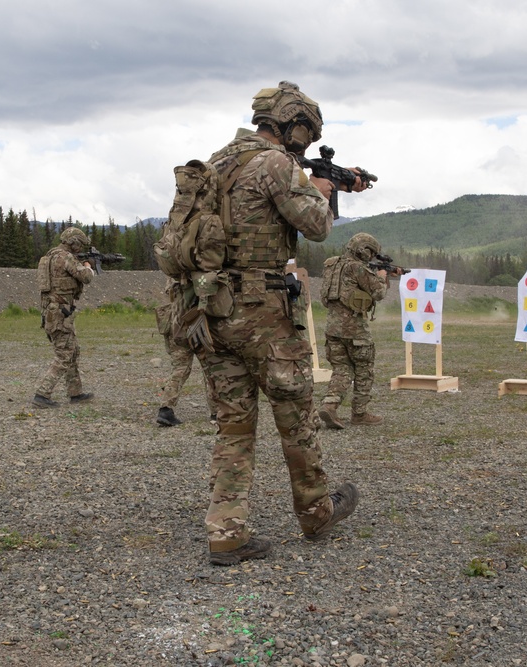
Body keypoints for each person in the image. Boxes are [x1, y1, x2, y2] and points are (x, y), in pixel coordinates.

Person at [199, 81, 370, 566]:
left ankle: (225, 530)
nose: (307, 144)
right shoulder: (275, 164)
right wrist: (325, 192)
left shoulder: (217, 162)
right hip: (264, 312)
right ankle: (315, 511)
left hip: (212, 309)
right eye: (307, 134)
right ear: (294, 125)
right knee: (295, 414)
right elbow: (315, 227)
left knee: (233, 424)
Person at [317, 233, 390, 429]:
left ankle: (329, 405)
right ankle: (360, 413)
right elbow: (379, 293)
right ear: (364, 249)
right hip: (355, 330)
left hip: (332, 328)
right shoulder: (357, 268)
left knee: (341, 369)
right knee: (364, 370)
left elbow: (325, 298)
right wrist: (382, 277)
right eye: (371, 252)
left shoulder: (332, 265)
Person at [32, 227, 96, 408]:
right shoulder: (65, 258)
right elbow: (86, 277)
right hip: (60, 313)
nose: (79, 247)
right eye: (79, 244)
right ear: (73, 242)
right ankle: (42, 394)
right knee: (64, 355)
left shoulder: (49, 257)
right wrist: (88, 266)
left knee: (72, 351)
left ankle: (75, 392)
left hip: (53, 312)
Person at [156, 280, 217, 427]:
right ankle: (216, 411)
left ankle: (166, 408)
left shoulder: (173, 273)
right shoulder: (200, 274)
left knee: (180, 369)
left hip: (175, 325)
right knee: (210, 369)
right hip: (198, 325)